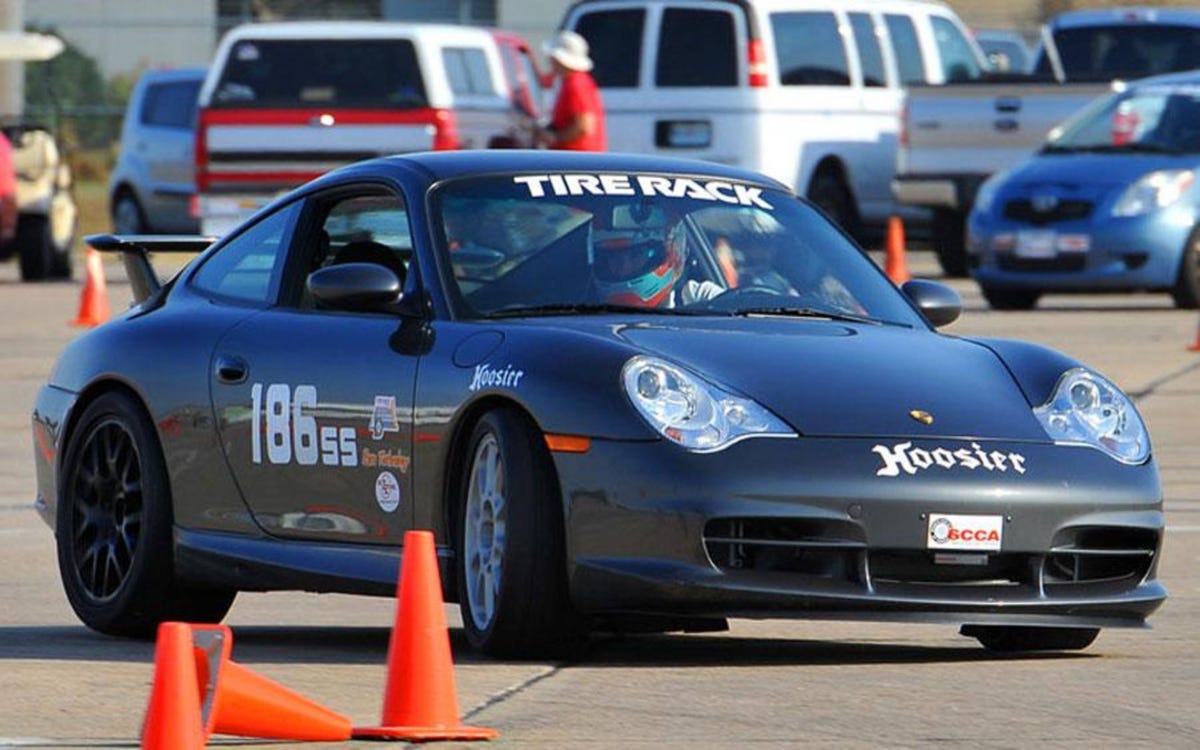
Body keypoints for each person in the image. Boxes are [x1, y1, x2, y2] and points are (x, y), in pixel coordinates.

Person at [590, 221, 721, 308]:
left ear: (670, 253)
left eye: (636, 255)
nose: (624, 267)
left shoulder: (698, 297)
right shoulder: (587, 311)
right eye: (614, 256)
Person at [538, 31, 607, 151]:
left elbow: (584, 126)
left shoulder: (576, 83)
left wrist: (554, 137)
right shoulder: (574, 81)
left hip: (578, 160)